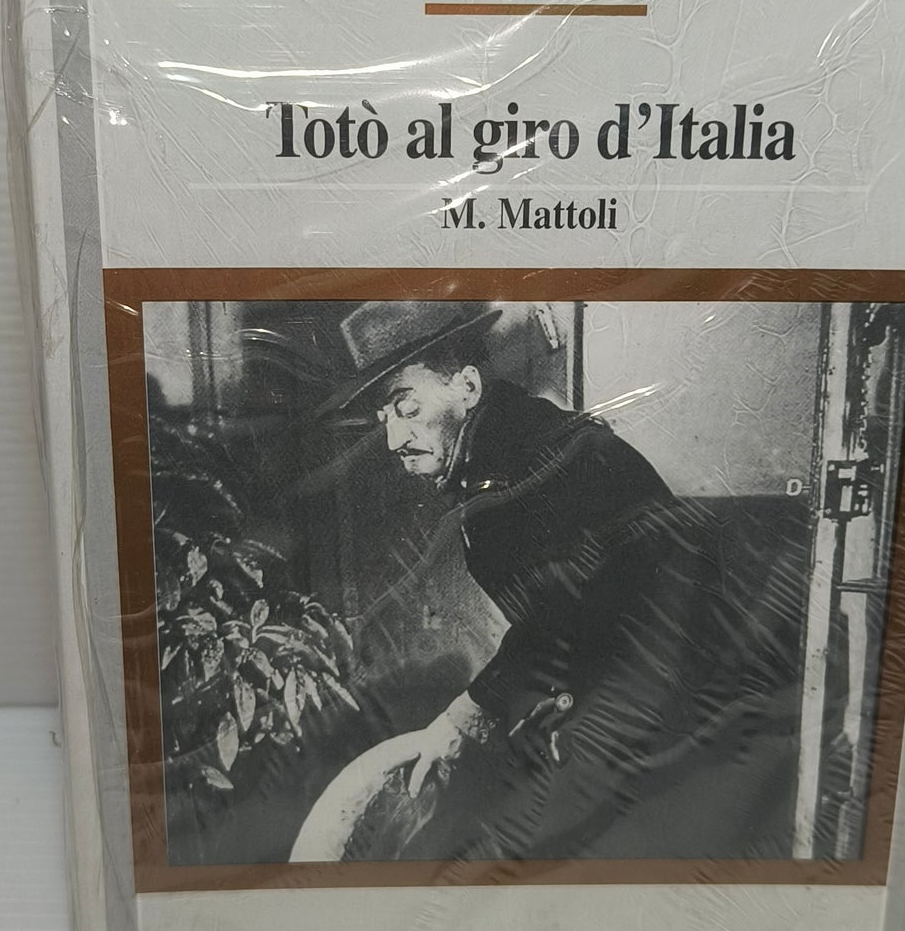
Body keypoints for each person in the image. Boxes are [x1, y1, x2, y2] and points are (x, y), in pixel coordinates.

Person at [314, 301, 799, 863]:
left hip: (693, 713)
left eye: (407, 407)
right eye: (385, 420)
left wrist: (466, 716)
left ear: (467, 386)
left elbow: (563, 616)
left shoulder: (523, 470)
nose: (395, 439)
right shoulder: (512, 445)